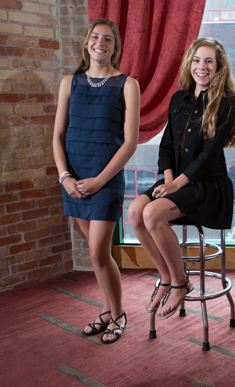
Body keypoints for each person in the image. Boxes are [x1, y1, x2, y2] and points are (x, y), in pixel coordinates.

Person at [128, 37, 235, 320]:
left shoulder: (225, 101)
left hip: (207, 185)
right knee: (132, 212)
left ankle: (181, 283)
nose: (201, 67)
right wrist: (168, 180)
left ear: (218, 67)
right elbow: (166, 145)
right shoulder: (179, 98)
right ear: (189, 63)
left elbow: (208, 156)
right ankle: (168, 277)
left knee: (153, 215)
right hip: (176, 180)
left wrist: (174, 186)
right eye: (196, 60)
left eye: (208, 61)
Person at [52, 18, 140, 344]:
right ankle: (107, 310)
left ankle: (118, 315)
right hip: (74, 180)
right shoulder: (69, 83)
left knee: (98, 253)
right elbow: (58, 136)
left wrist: (101, 181)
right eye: (95, 37)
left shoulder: (127, 84)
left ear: (115, 46)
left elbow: (129, 143)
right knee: (97, 256)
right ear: (87, 42)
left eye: (107, 39)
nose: (100, 42)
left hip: (105, 180)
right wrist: (65, 178)